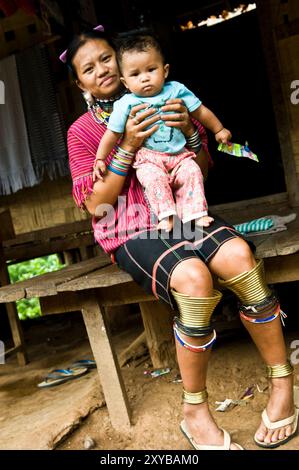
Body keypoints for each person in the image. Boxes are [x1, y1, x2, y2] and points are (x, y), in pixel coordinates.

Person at [63, 26, 297, 450]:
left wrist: (190, 133)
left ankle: (283, 384)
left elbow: (203, 169)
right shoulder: (82, 131)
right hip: (130, 223)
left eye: (105, 59)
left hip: (186, 211)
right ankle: (195, 411)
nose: (101, 70)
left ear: (121, 58)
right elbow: (96, 204)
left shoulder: (168, 96)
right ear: (79, 82)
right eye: (88, 68)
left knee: (239, 258)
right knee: (192, 278)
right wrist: (128, 146)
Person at [93, 33, 232, 232]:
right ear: (125, 82)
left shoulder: (176, 90)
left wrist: (218, 129)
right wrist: (100, 158)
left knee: (192, 172)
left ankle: (195, 214)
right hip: (149, 159)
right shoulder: (125, 104)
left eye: (151, 69)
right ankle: (166, 216)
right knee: (152, 179)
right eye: (135, 74)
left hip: (179, 154)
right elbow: (112, 134)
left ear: (165, 70)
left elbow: (200, 111)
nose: (145, 78)